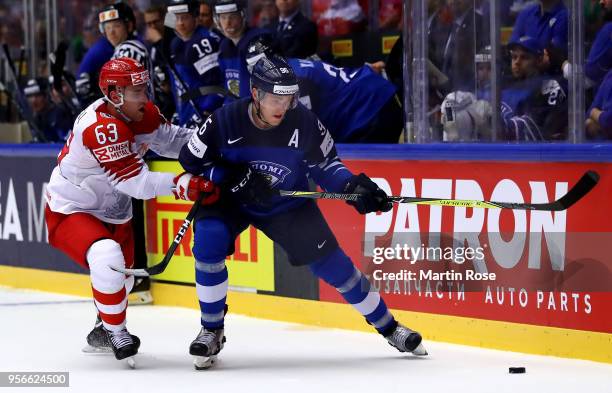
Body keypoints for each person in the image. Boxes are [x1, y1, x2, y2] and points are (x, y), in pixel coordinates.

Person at [177, 55, 427, 370]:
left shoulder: (304, 121)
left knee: (336, 268)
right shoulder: (225, 120)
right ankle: (212, 329)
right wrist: (230, 177)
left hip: (287, 207)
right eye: (274, 97)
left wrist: (354, 187)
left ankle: (390, 327)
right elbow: (190, 160)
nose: (283, 105)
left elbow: (326, 166)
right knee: (209, 242)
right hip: (232, 199)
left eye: (289, 96)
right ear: (255, 94)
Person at [44, 57, 219, 364]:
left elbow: (175, 141)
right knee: (106, 255)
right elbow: (136, 183)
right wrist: (183, 185)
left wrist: (219, 145)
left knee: (120, 280)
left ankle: (102, 327)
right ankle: (116, 331)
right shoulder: (100, 128)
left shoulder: (141, 113)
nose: (146, 97)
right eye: (137, 91)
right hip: (72, 208)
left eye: (144, 89)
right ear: (115, 95)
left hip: (114, 211)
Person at [246, 39, 402, 143]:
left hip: (372, 108)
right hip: (370, 103)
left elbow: (303, 131)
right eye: (252, 67)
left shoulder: (295, 80)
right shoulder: (290, 70)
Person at [166, 0, 225, 127]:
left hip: (204, 118)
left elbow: (218, 86)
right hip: (185, 115)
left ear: (195, 16)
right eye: (176, 18)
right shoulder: (175, 43)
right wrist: (179, 112)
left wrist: (205, 112)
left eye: (185, 17)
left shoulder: (205, 41)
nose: (180, 23)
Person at [213, 0, 273, 98]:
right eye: (223, 17)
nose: (228, 23)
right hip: (235, 108)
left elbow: (266, 82)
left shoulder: (258, 40)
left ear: (242, 16)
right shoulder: (224, 46)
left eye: (233, 16)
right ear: (217, 20)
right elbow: (225, 85)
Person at [24, 77, 73, 142]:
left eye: (38, 95)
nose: (34, 100)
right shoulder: (36, 118)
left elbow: (66, 142)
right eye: (30, 96)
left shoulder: (59, 115)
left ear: (46, 96)